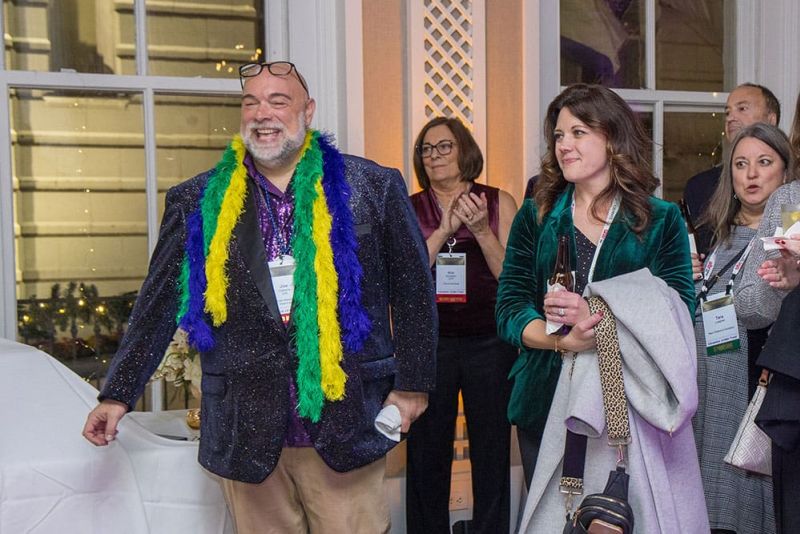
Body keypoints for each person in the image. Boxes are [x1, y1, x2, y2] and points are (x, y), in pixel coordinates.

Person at [82, 61, 438, 533]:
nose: (261, 113)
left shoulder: (371, 186)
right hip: (245, 429)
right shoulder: (197, 200)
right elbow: (158, 304)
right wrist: (118, 394)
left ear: (307, 111)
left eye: (278, 101)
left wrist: (412, 387)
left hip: (346, 420)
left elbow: (414, 294)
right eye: (250, 102)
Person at [496, 84, 707, 532]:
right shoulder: (537, 214)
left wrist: (600, 315)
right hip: (544, 400)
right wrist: (561, 340)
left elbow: (677, 312)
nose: (564, 145)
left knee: (619, 520)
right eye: (558, 135)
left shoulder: (660, 218)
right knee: (554, 522)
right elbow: (509, 307)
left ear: (612, 138)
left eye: (578, 132)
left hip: (626, 405)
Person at [406, 117, 518, 534]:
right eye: (426, 149)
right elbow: (407, 276)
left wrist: (481, 231)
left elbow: (513, 278)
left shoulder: (498, 201)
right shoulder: (409, 207)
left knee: (491, 449)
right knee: (426, 453)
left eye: (443, 146)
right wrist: (443, 231)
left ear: (464, 150)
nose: (433, 156)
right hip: (430, 343)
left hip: (490, 343)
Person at [692, 123, 792, 534]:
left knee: (747, 505)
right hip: (706, 385)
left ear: (785, 172)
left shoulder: (787, 237)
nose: (751, 174)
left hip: (754, 384)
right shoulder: (710, 233)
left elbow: (759, 309)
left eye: (764, 162)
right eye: (740, 164)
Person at [683, 83, 781, 256]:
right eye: (727, 112)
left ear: (771, 119)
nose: (730, 118)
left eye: (742, 108)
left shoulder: (793, 188)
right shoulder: (700, 187)